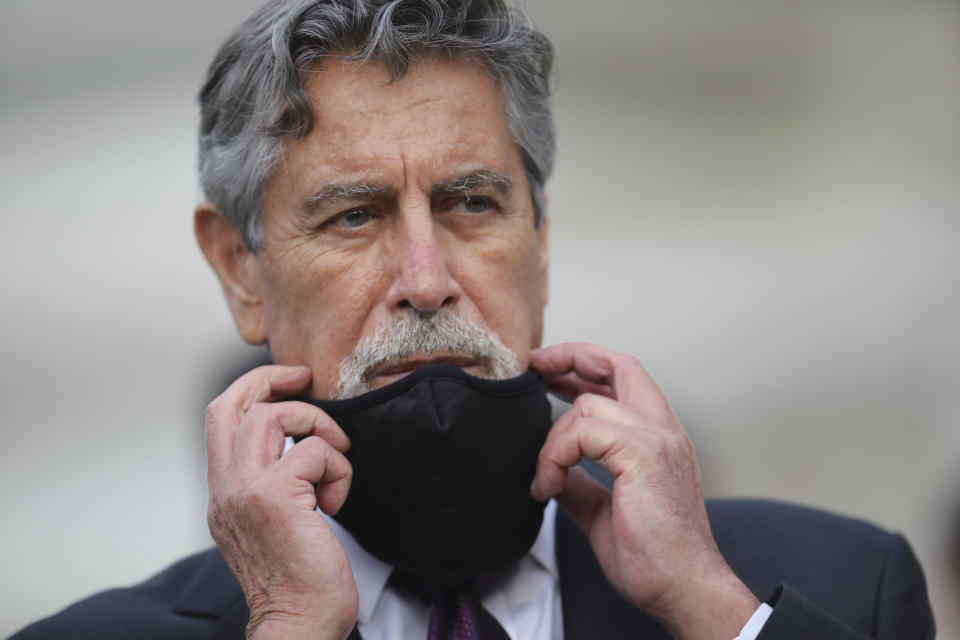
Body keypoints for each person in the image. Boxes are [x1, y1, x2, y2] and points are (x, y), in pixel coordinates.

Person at [11, 1, 935, 639]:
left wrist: (704, 606)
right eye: (354, 215)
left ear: (540, 240)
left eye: (471, 203)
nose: (426, 279)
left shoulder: (841, 586)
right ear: (238, 270)